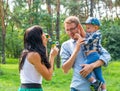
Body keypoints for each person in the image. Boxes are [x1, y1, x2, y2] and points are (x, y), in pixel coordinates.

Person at [60, 16, 111, 91]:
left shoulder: (91, 40)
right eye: (67, 30)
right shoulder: (66, 45)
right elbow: (65, 69)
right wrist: (76, 49)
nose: (70, 32)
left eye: (72, 29)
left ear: (79, 27)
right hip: (77, 87)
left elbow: (107, 56)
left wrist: (92, 66)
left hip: (95, 89)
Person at [18, 25, 59, 91]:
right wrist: (52, 56)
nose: (44, 36)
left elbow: (44, 62)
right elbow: (48, 76)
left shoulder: (26, 53)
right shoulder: (34, 55)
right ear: (38, 38)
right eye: (42, 33)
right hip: (33, 89)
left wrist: (44, 45)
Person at [78, 17, 107, 91]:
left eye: (88, 28)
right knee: (99, 75)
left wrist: (80, 38)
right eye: (86, 28)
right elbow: (84, 34)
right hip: (92, 56)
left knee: (83, 69)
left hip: (93, 55)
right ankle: (103, 89)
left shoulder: (97, 34)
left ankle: (95, 82)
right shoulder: (91, 33)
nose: (87, 30)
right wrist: (80, 27)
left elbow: (87, 41)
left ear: (96, 27)